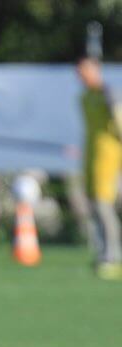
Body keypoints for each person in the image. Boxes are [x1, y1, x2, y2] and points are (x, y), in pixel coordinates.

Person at [76, 55, 122, 280]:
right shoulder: (85, 97)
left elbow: (119, 121)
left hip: (109, 158)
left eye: (86, 70)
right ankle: (103, 252)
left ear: (96, 70)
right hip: (91, 157)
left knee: (104, 206)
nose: (82, 76)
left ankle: (112, 257)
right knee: (94, 206)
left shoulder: (108, 93)